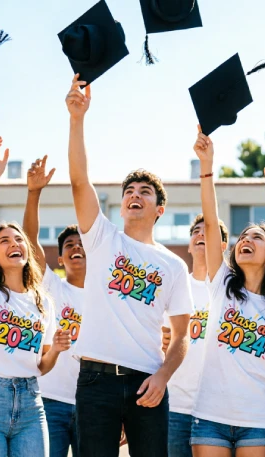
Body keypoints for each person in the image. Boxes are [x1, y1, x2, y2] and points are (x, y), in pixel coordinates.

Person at [65, 74, 193, 457]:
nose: (135, 196)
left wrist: (164, 376)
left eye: (145, 192)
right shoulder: (102, 238)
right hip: (95, 381)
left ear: (159, 209)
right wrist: (77, 119)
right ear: (121, 206)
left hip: (146, 382)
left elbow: (183, 334)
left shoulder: (173, 266)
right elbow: (78, 181)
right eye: (129, 192)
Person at [190, 130, 265, 457]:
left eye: (256, 237)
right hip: (209, 416)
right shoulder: (222, 284)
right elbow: (211, 224)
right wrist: (207, 166)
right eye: (243, 237)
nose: (245, 240)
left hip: (259, 421)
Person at [0, 137, 71, 457]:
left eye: (19, 239)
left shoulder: (43, 301)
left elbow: (41, 364)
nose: (15, 244)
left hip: (30, 401)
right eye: (5, 240)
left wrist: (57, 351)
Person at [21, 156, 86, 457]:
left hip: (93, 403)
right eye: (69, 245)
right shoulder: (51, 288)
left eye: (82, 243)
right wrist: (34, 193)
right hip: (51, 401)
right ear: (59, 259)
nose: (76, 247)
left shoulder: (109, 296)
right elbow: (29, 239)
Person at [160, 212, 228, 457]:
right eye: (195, 231)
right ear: (189, 245)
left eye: (207, 230)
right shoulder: (174, 287)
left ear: (223, 246)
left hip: (218, 410)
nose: (200, 234)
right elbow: (158, 343)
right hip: (176, 406)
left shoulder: (233, 291)